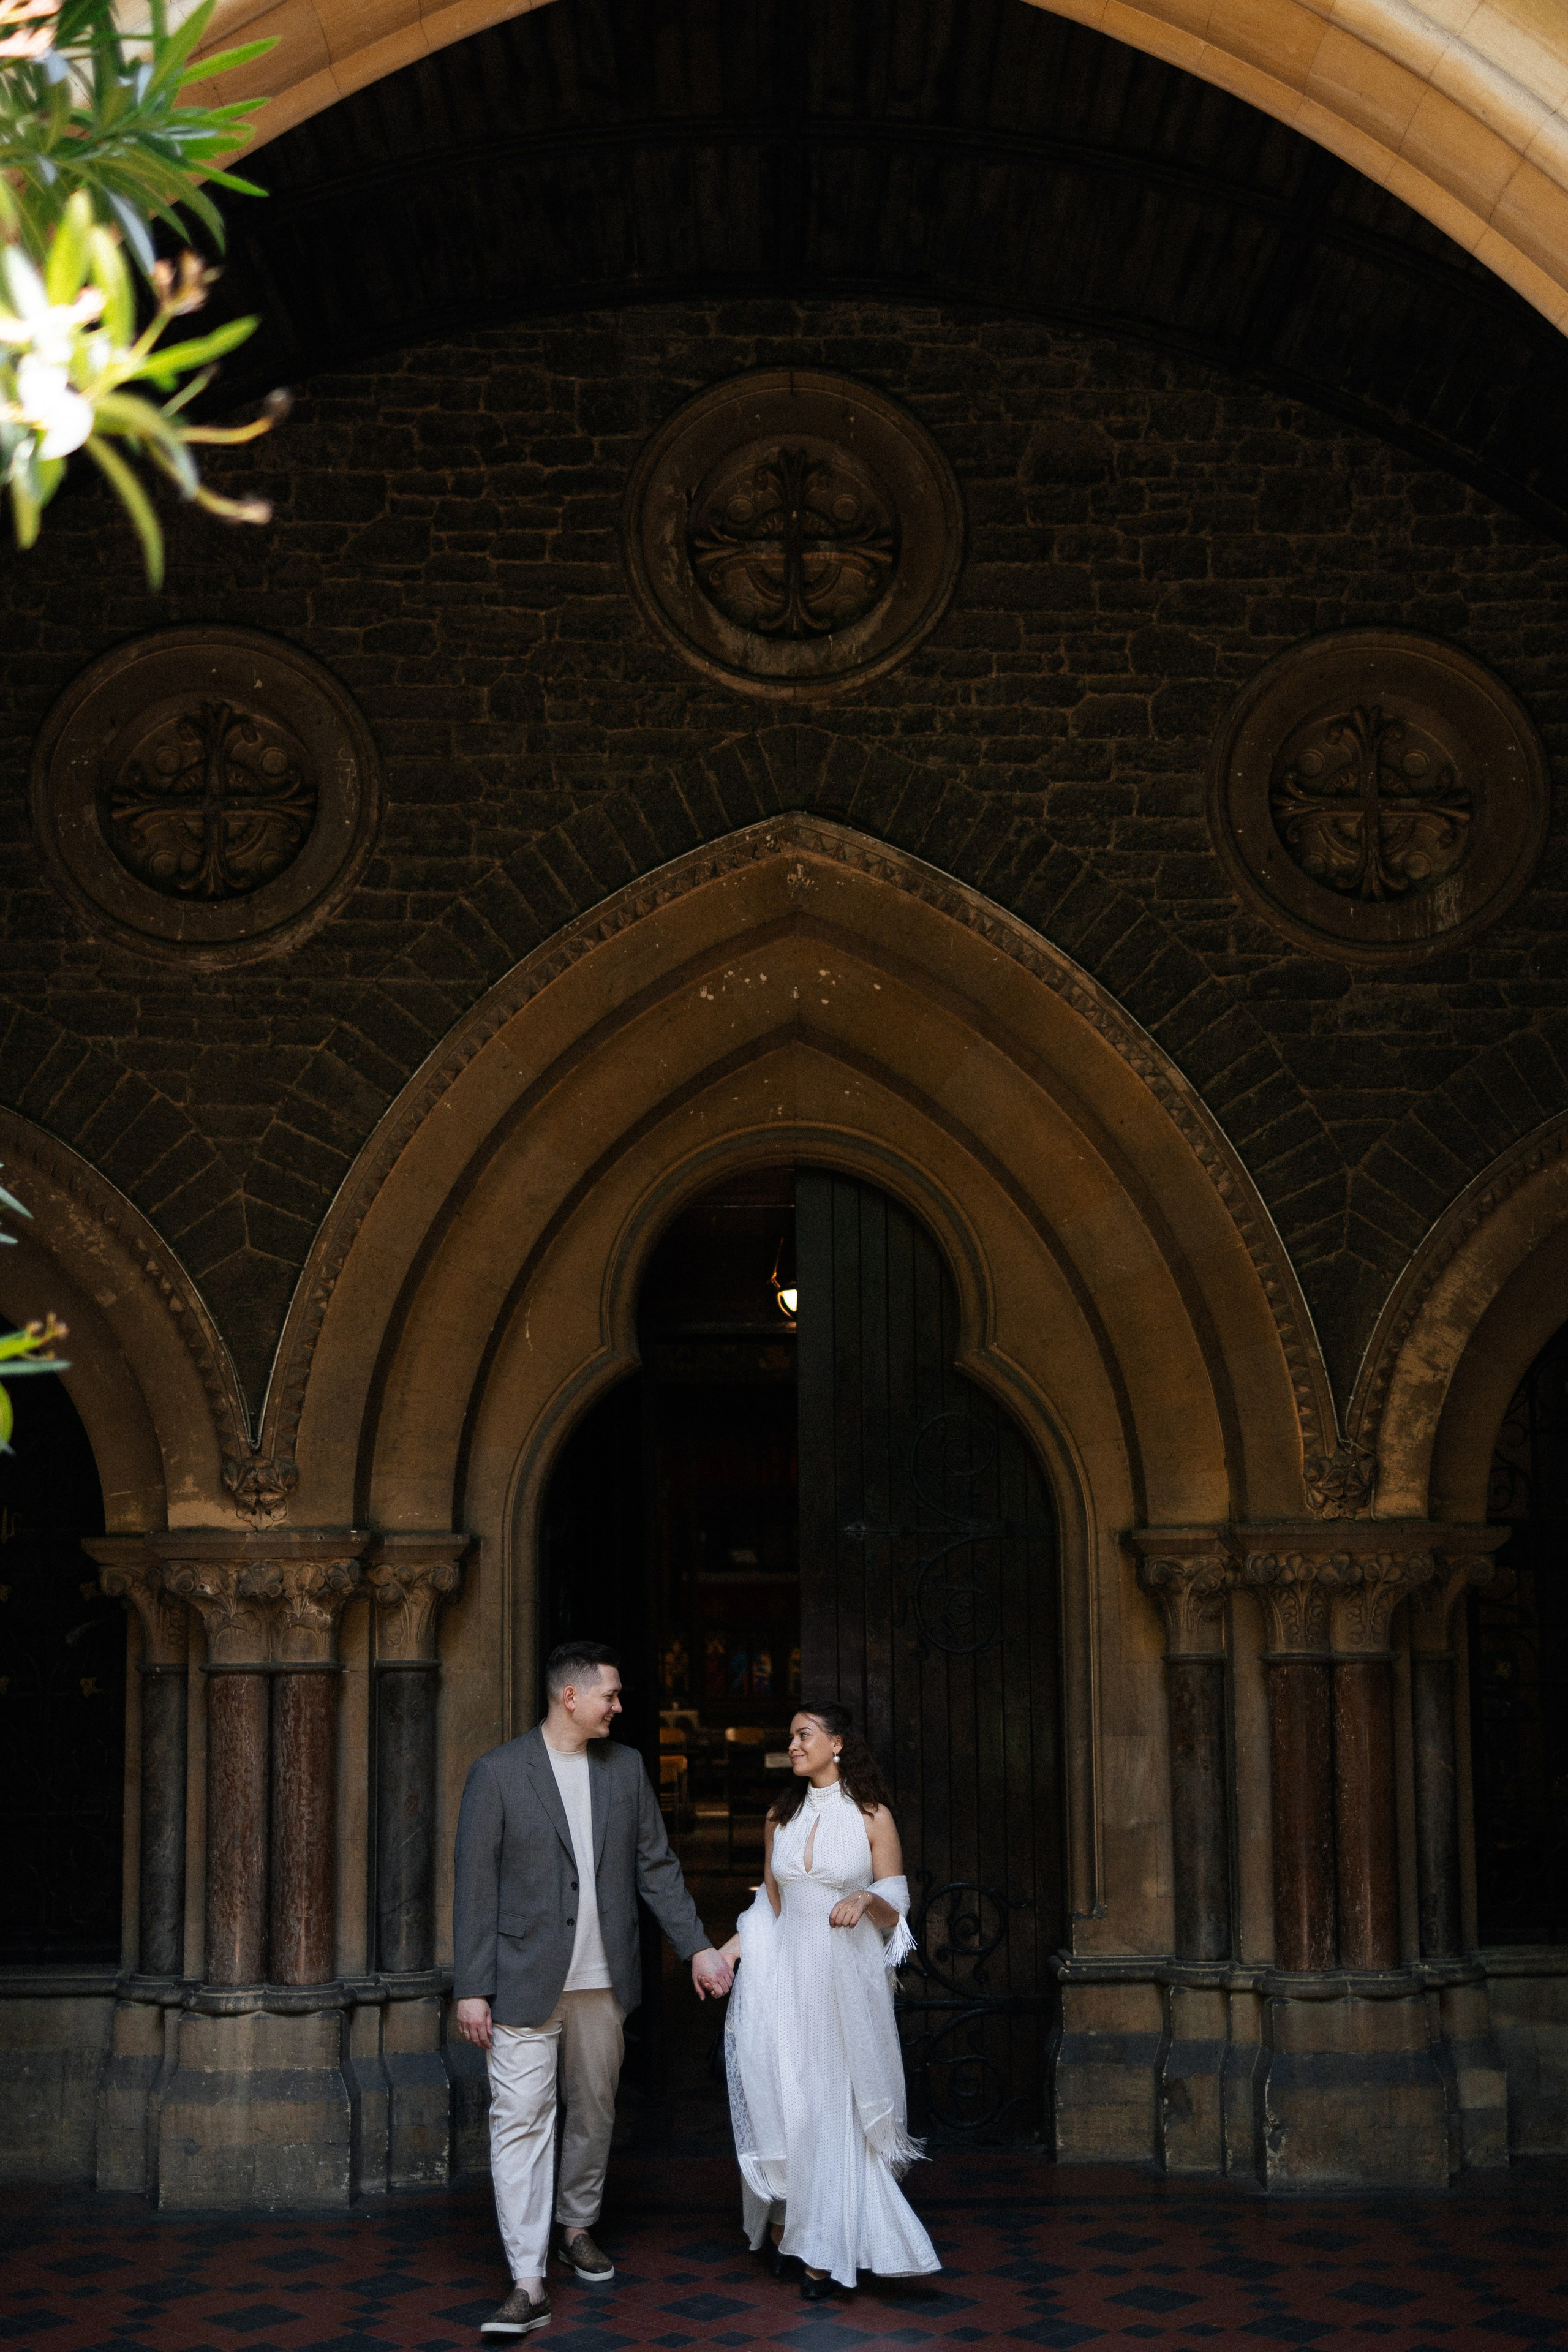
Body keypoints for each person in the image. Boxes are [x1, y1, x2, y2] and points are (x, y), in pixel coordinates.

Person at [454, 1640, 734, 2338]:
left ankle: (576, 2224)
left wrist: (696, 1947)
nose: (618, 1706)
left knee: (594, 2111)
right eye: (609, 1695)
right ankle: (527, 2279)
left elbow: (658, 1869)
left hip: (604, 1980)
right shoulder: (497, 1773)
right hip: (521, 1980)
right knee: (519, 2120)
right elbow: (473, 1889)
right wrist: (471, 1987)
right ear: (569, 1697)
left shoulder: (626, 1768)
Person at [717, 1700, 941, 2296]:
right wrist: (729, 1953)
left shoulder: (872, 1817)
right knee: (794, 2102)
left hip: (844, 1986)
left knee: (834, 2106)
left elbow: (897, 1908)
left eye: (804, 1735)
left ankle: (823, 2250)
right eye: (791, 1736)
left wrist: (866, 1899)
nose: (793, 1744)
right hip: (785, 1983)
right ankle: (795, 2226)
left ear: (836, 1743)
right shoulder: (778, 1817)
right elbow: (771, 1907)